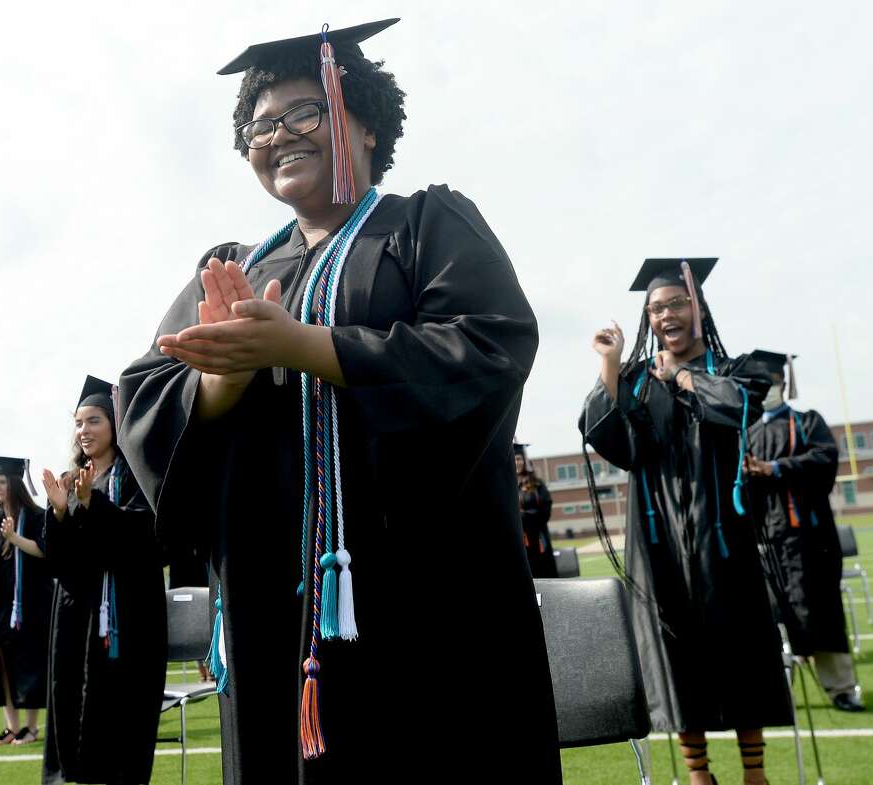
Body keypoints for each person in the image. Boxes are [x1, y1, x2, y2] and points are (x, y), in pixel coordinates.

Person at [117, 18, 560, 784]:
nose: (277, 134)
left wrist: (304, 348)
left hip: (429, 614)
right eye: (259, 124)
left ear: (359, 118)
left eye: (302, 113)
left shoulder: (425, 225)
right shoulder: (234, 269)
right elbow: (147, 393)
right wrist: (219, 381)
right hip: (274, 622)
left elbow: (489, 348)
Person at [579, 258, 790, 785]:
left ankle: (754, 771)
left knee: (740, 643)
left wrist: (683, 376)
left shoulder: (738, 368)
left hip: (724, 533)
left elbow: (741, 407)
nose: (665, 315)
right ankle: (698, 773)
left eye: (675, 303)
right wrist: (610, 365)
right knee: (674, 651)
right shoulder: (638, 381)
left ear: (698, 307)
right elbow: (605, 433)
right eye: (655, 308)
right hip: (659, 541)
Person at [40, 376, 167, 785]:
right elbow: (63, 564)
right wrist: (59, 515)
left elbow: (143, 541)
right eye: (78, 423)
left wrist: (93, 505)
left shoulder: (135, 475)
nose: (84, 431)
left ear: (114, 423)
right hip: (79, 620)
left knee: (124, 728)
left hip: (129, 618)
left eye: (93, 420)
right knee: (76, 716)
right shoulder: (71, 481)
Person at [745, 350, 863, 712]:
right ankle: (778, 694)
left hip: (812, 539)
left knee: (824, 611)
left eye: (773, 383)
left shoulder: (808, 422)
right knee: (773, 617)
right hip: (769, 541)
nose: (767, 390)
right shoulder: (747, 434)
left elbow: (824, 459)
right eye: (760, 386)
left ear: (784, 383)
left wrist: (775, 468)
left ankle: (841, 689)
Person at [0, 456, 51, 747]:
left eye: (2, 482)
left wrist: (14, 538)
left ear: (14, 483)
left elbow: (46, 553)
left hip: (29, 604)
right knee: (1, 668)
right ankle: (11, 727)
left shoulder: (37, 516)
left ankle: (31, 726)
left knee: (28, 666)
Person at [516, 442, 558, 578]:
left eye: (519, 459)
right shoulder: (508, 484)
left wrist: (528, 517)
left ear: (525, 461)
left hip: (538, 534)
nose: (517, 462)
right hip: (519, 537)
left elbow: (546, 505)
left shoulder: (537, 484)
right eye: (514, 459)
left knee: (544, 569)